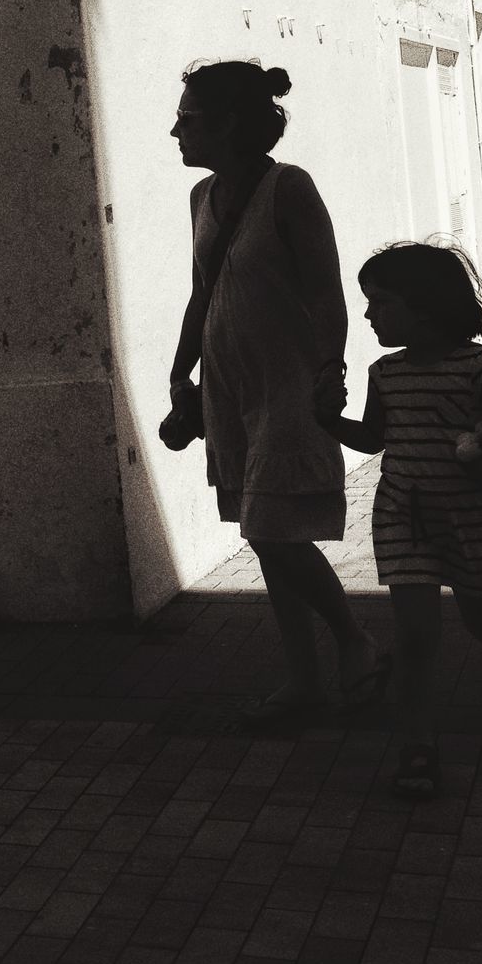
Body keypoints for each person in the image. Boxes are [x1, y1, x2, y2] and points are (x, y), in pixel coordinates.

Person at [165, 60, 385, 726]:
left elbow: (326, 290)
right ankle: (305, 681)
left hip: (290, 387)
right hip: (230, 392)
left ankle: (354, 641)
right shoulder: (201, 200)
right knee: (266, 535)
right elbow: (203, 293)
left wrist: (330, 373)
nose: (176, 129)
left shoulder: (290, 189)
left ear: (230, 122)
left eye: (190, 118)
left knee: (269, 528)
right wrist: (180, 376)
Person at [315, 242, 482, 798]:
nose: (369, 314)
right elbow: (376, 439)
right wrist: (327, 419)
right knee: (417, 634)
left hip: (468, 516)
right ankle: (417, 747)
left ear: (423, 304)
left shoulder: (481, 366)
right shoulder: (385, 372)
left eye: (379, 301)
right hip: (404, 515)